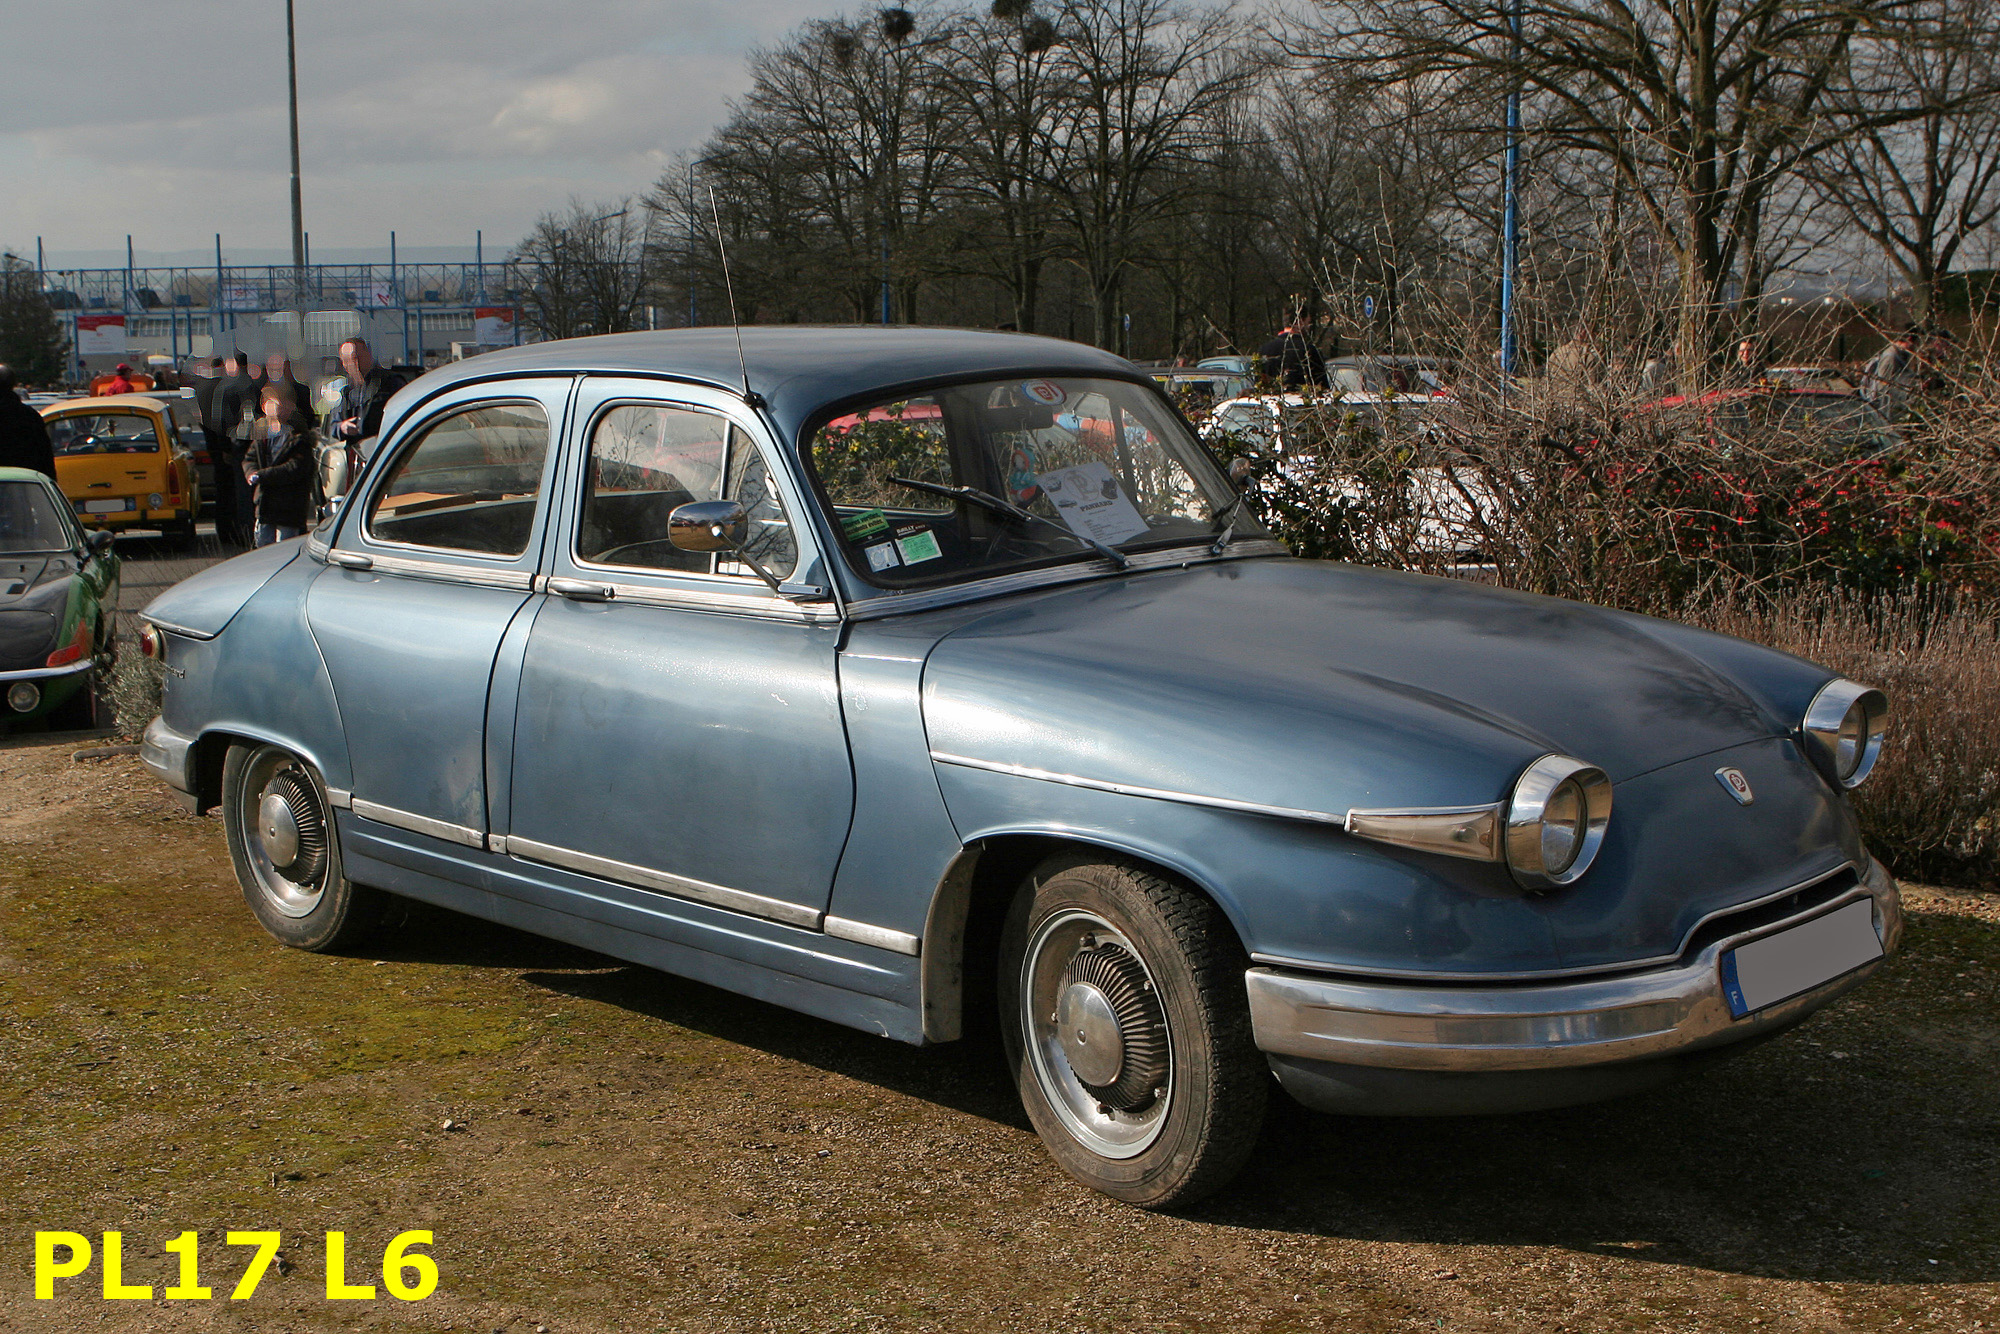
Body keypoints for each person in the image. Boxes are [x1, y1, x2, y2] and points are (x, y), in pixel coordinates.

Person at [243, 382, 316, 547]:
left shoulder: (299, 437)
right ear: (264, 406)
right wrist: (251, 473)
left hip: (289, 507)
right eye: (273, 403)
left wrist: (263, 475)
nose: (278, 408)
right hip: (265, 505)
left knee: (286, 547)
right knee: (263, 548)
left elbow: (295, 468)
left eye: (282, 403)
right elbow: (249, 458)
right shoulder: (261, 435)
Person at [330, 338, 406, 475]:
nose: (355, 363)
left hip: (389, 459)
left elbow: (407, 418)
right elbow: (333, 426)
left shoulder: (391, 384)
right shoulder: (345, 394)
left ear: (369, 356)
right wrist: (342, 427)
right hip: (357, 465)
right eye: (350, 359)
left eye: (358, 357)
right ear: (344, 364)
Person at [209, 351, 260, 546]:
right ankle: (256, 534)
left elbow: (219, 422)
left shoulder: (227, 389)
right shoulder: (259, 386)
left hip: (238, 447)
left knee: (242, 494)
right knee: (256, 490)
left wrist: (224, 448)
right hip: (258, 447)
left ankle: (245, 535)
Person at [0, 365, 57, 479]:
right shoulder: (29, 415)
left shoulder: (29, 415)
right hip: (25, 485)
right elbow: (44, 455)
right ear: (13, 385)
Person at [1256, 313, 1328, 391]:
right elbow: (1322, 388)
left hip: (1269, 401)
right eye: (1308, 322)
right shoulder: (1310, 350)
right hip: (1301, 401)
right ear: (1300, 322)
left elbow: (1258, 385)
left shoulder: (1264, 350)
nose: (1308, 326)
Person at [1859, 328, 1919, 419]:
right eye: (1915, 344)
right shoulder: (1891, 357)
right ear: (1909, 339)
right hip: (1885, 410)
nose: (1914, 348)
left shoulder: (1900, 355)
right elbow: (1883, 386)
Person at [263, 352, 313, 420]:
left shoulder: (302, 392)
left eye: (278, 364)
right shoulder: (259, 392)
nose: (275, 369)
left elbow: (309, 420)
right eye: (272, 364)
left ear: (286, 365)